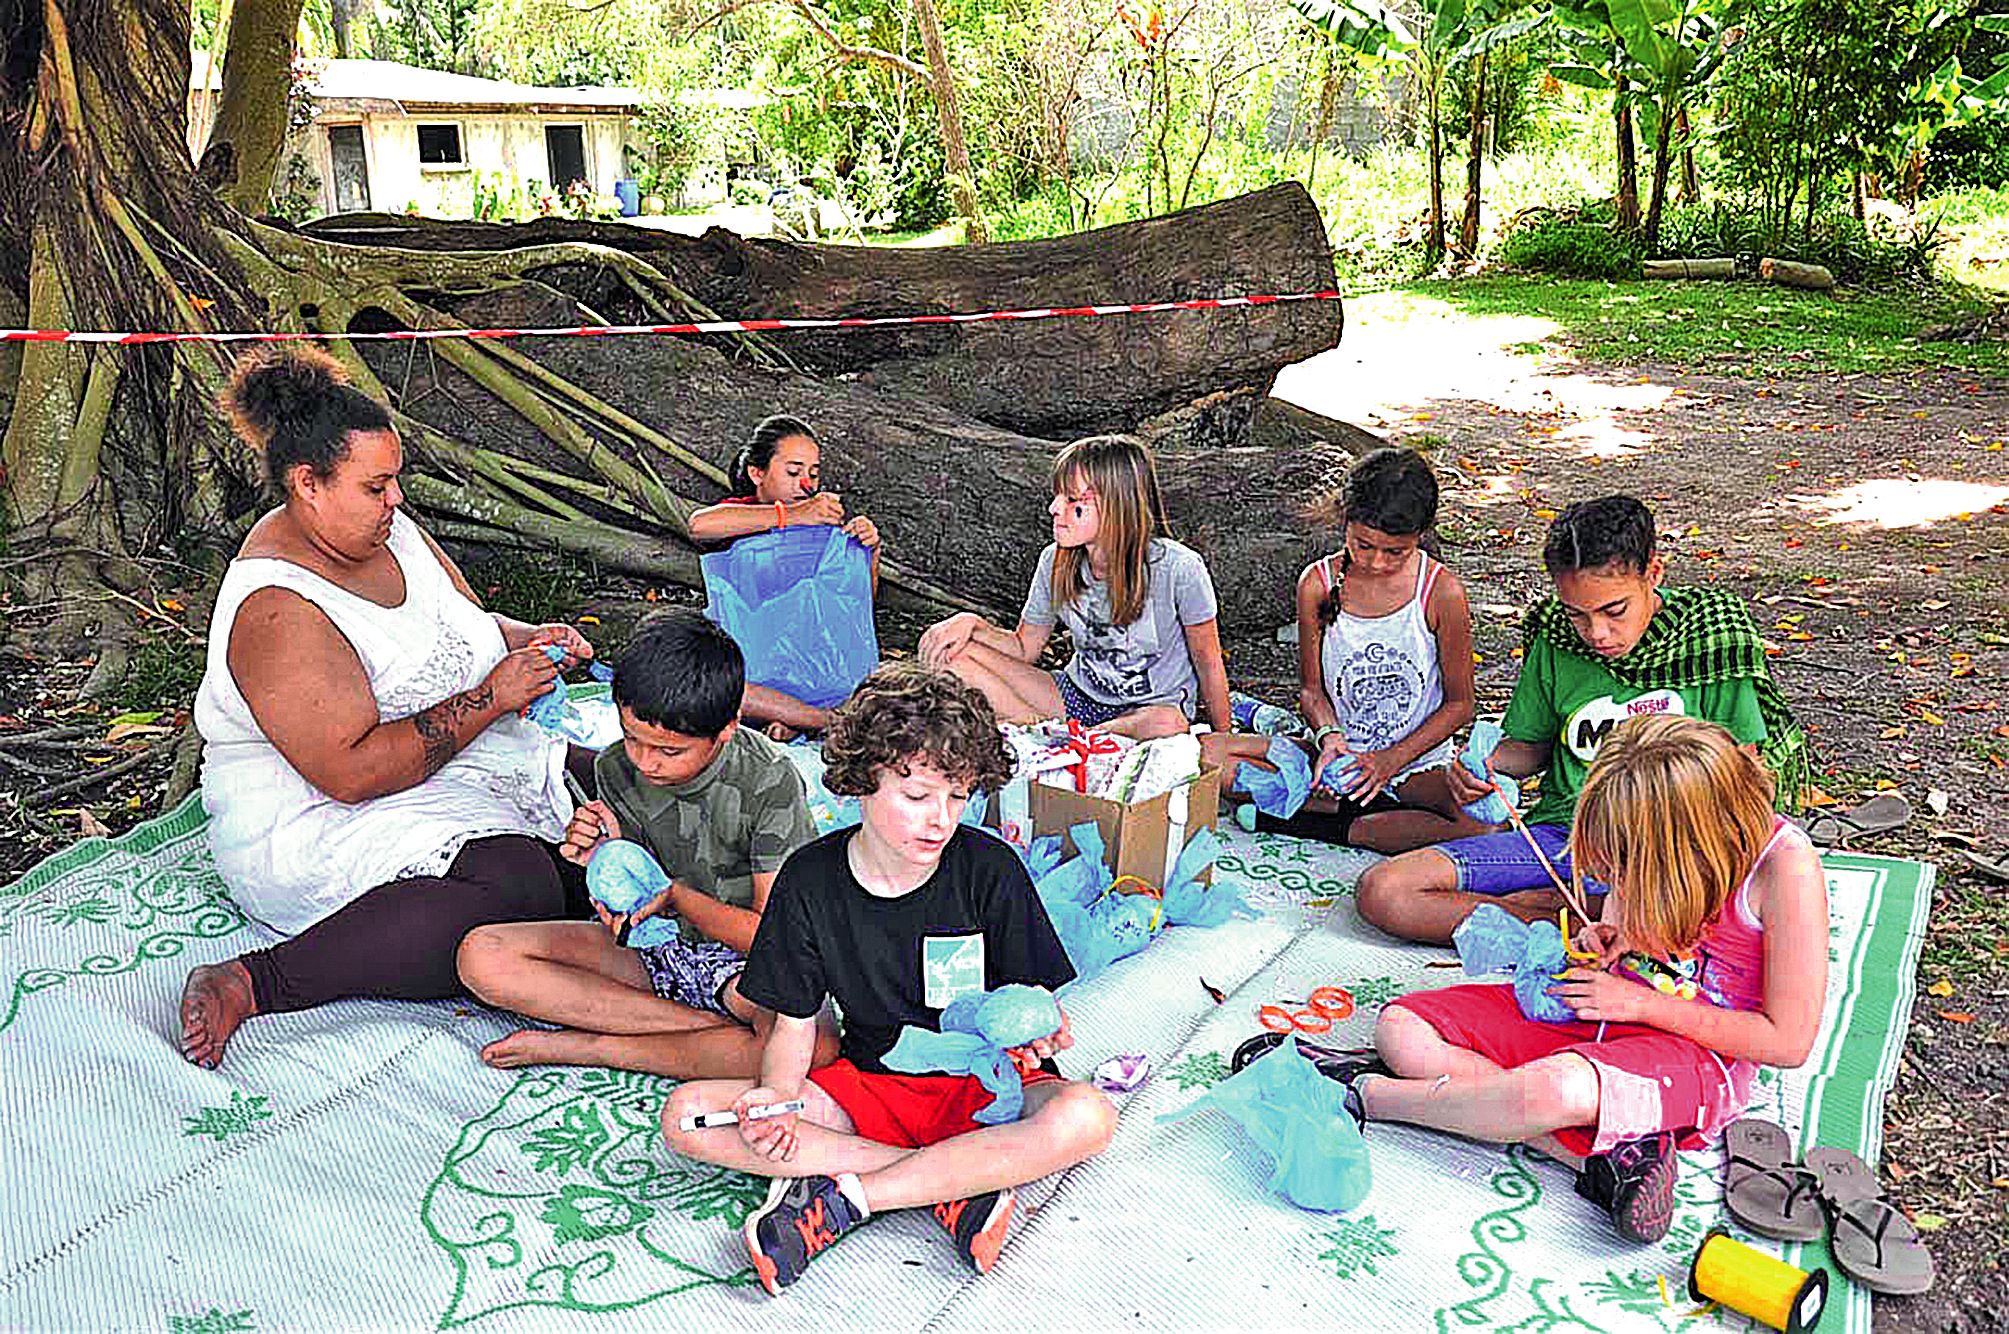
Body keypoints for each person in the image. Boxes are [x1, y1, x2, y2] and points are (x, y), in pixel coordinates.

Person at [178, 345, 590, 1069]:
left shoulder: (390, 530)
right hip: (323, 814)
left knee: (628, 782)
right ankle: (258, 980)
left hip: (452, 765)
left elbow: (466, 625)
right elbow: (354, 773)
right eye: (376, 487)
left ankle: (578, 888)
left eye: (394, 481)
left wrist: (535, 640)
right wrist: (490, 698)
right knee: (514, 884)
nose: (395, 501)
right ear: (308, 484)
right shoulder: (278, 607)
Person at [661, 664, 1115, 1295]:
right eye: (918, 796)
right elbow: (795, 1020)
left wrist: (1044, 1029)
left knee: (1089, 1115)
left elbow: (1033, 1002)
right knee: (687, 1117)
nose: (941, 819)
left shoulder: (990, 869)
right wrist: (777, 1094)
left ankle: (855, 1197)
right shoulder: (810, 879)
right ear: (862, 780)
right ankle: (953, 1186)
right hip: (871, 1086)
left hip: (983, 1087)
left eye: (958, 796)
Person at [1340, 715, 1827, 1244]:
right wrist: (1615, 939)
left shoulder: (1784, 869)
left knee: (1550, 1089)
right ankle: (1599, 1156)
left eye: (1630, 867)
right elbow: (1635, 925)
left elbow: (1787, 1041)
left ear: (1684, 845)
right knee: (1402, 1025)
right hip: (1608, 1007)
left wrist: (1642, 1007)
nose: (1619, 880)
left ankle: (1373, 1095)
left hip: (1699, 1050)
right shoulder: (1663, 844)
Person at [1354, 495, 1808, 946]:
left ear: (1654, 573)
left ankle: (1561, 912)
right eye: (1577, 614)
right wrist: (1481, 767)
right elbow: (1531, 748)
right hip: (1567, 839)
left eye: (1614, 611)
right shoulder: (1555, 637)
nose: (1597, 634)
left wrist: (1677, 857)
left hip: (1673, 852)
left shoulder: (1708, 635)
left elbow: (1745, 775)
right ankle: (1567, 916)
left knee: (1712, 911)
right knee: (1385, 891)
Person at [455, 609, 825, 1078]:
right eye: (632, 738)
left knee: (816, 1047)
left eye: (670, 751)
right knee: (482, 955)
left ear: (728, 727)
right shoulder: (615, 768)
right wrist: (601, 864)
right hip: (655, 954)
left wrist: (678, 898)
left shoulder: (768, 781)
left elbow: (772, 937)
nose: (646, 762)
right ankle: (707, 1034)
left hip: (742, 965)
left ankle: (595, 1047)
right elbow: (630, 903)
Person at [1226, 447, 1493, 852]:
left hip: (1416, 763)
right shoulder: (1317, 583)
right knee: (1207, 759)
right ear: (1344, 522)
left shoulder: (1440, 592)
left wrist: (1390, 762)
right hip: (1337, 755)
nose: (1377, 563)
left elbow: (1460, 705)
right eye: (1363, 545)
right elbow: (1312, 691)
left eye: (1395, 552)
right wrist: (1329, 738)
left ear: (1419, 537)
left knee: (1482, 825)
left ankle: (1321, 821)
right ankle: (1355, 809)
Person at [917, 434, 1231, 740]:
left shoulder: (1179, 568)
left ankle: (1066, 738)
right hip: (1075, 696)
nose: (1054, 508)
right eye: (1057, 496)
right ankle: (1055, 734)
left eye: (1071, 499)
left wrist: (1224, 736)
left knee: (1168, 725)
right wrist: (970, 624)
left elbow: (1208, 660)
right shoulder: (1056, 560)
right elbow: (1025, 648)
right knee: (945, 654)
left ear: (1116, 505)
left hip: (1149, 711)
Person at [687, 415, 881, 739]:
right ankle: (824, 721)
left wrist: (868, 553)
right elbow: (699, 525)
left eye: (813, 474)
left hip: (816, 658)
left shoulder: (824, 527)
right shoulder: (744, 513)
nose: (806, 484)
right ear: (757, 473)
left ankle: (793, 720)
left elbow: (855, 604)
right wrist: (790, 516)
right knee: (723, 687)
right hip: (753, 666)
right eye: (793, 472)